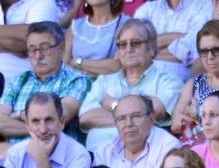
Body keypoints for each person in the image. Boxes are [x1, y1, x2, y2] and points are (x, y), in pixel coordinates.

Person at [77, 19, 180, 150]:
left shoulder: (169, 82)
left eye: (136, 43)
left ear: (151, 48)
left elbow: (155, 112)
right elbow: (86, 118)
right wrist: (136, 118)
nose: (128, 49)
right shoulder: (104, 81)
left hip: (144, 161)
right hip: (99, 161)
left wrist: (114, 105)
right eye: (122, 45)